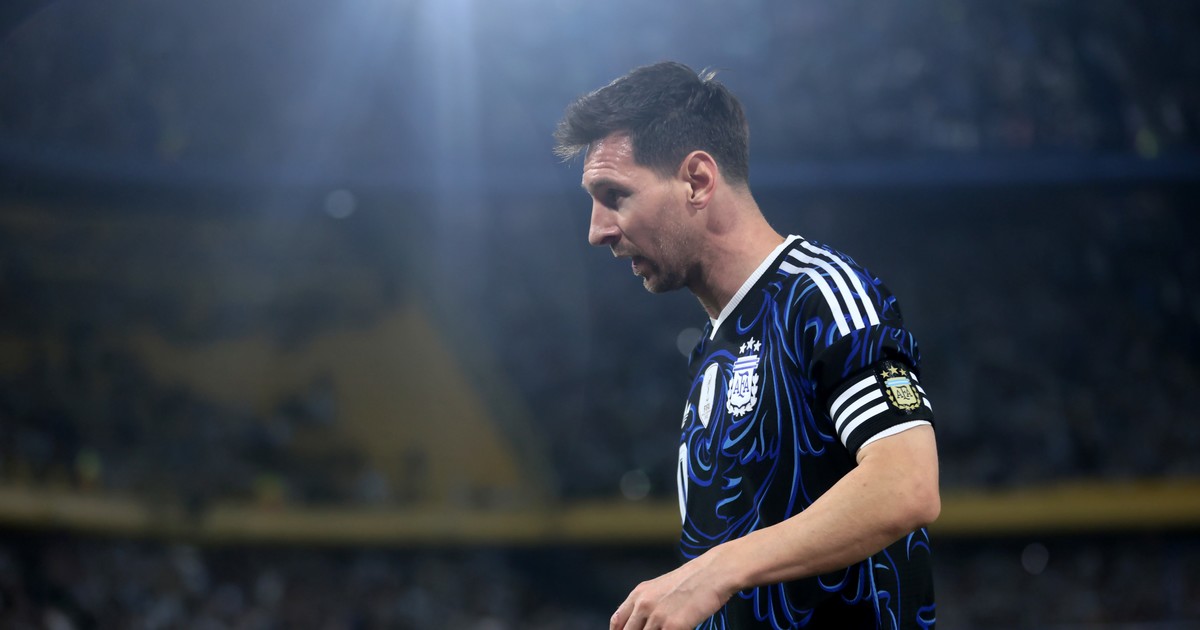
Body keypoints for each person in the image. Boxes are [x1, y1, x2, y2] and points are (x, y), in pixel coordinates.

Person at [554, 61, 941, 630]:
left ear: (697, 181)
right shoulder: (713, 350)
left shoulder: (822, 295)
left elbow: (907, 484)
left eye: (615, 195)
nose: (598, 230)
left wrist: (717, 569)